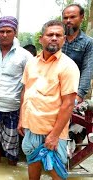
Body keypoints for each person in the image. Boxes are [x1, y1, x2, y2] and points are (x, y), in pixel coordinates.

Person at [18, 20, 80, 180]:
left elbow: (68, 104)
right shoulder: (31, 63)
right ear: (41, 38)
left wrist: (54, 135)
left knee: (57, 173)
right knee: (33, 166)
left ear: (64, 39)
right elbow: (25, 92)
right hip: (31, 128)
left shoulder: (68, 66)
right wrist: (21, 120)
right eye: (50, 34)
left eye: (58, 35)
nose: (54, 38)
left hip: (53, 131)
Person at [0, 16, 33, 166]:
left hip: (12, 107)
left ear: (15, 32)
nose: (4, 35)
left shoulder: (25, 56)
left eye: (8, 31)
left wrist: (24, 113)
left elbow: (29, 85)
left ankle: (10, 169)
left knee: (11, 146)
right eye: (1, 31)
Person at [62, 4, 93, 153]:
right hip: (58, 90)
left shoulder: (88, 42)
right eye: (65, 17)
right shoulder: (57, 39)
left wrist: (79, 94)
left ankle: (75, 157)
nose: (68, 20)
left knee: (77, 128)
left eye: (72, 17)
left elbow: (88, 69)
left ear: (81, 18)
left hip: (78, 91)